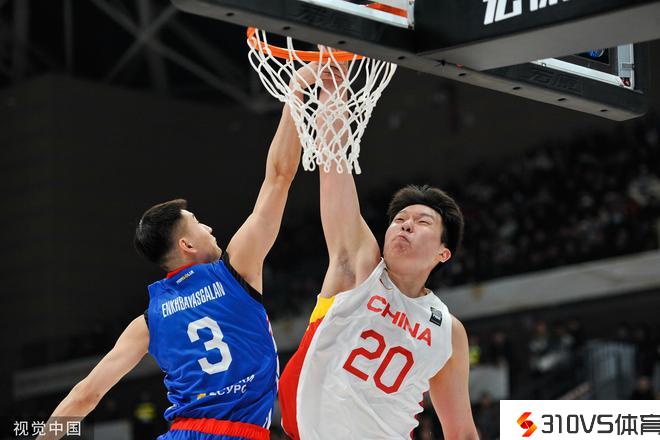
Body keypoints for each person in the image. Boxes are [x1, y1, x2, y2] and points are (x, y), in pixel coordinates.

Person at [40, 65, 320, 440]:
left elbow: (85, 395)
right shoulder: (236, 271)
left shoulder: (149, 321)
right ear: (186, 245)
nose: (210, 228)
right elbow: (279, 176)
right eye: (199, 223)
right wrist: (297, 90)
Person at [279, 73, 478, 439]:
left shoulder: (448, 331)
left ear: (443, 252)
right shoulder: (360, 267)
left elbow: (461, 431)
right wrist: (333, 85)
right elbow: (333, 162)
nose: (405, 225)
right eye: (399, 220)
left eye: (422, 222)